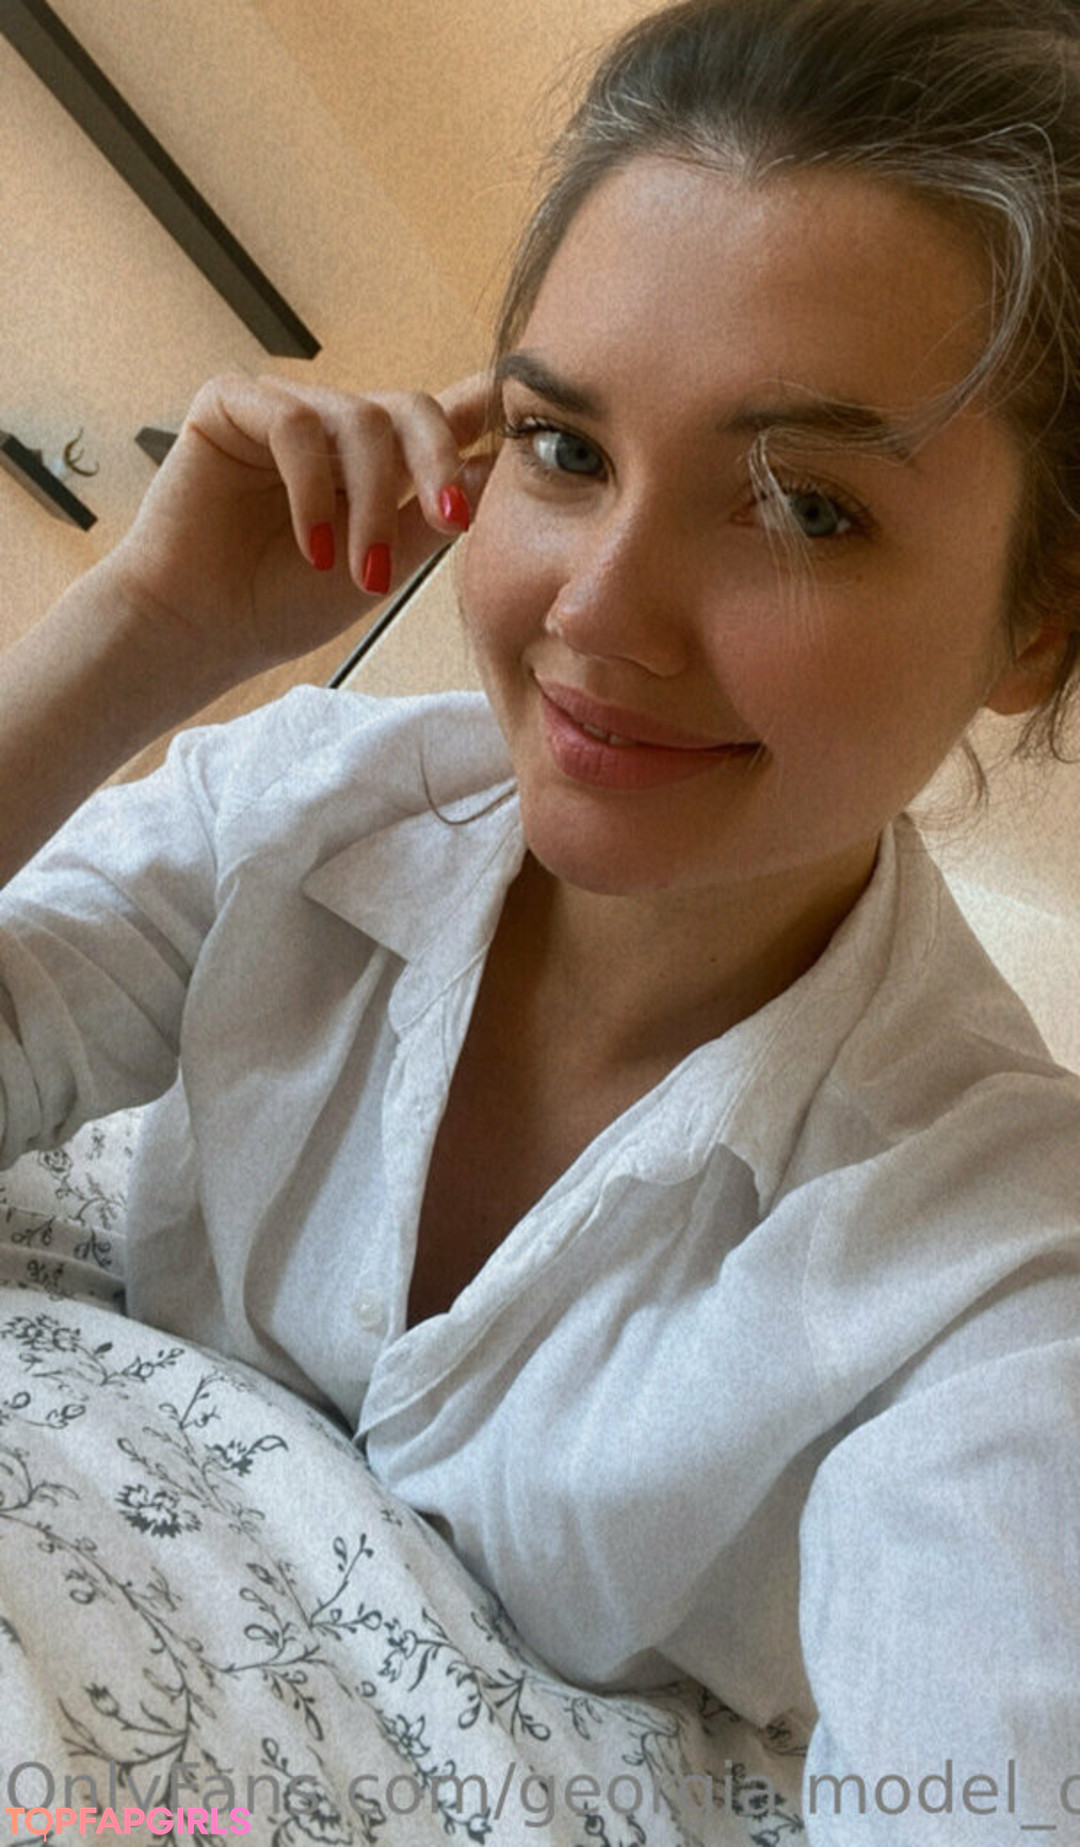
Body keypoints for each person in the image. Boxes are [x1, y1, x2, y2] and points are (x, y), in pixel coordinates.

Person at [2, 0, 1080, 1836]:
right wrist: (141, 637)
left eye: (803, 507)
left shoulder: (998, 1267)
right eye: (565, 448)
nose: (598, 614)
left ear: (1037, 619)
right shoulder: (309, 807)